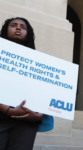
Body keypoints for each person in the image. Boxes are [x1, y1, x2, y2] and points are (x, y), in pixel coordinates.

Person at [0, 17, 47, 150]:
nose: (18, 28)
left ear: (28, 33)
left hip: (27, 122)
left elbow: (45, 90)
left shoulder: (39, 61)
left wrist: (39, 115)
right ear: (5, 30)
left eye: (23, 27)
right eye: (13, 25)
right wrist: (7, 109)